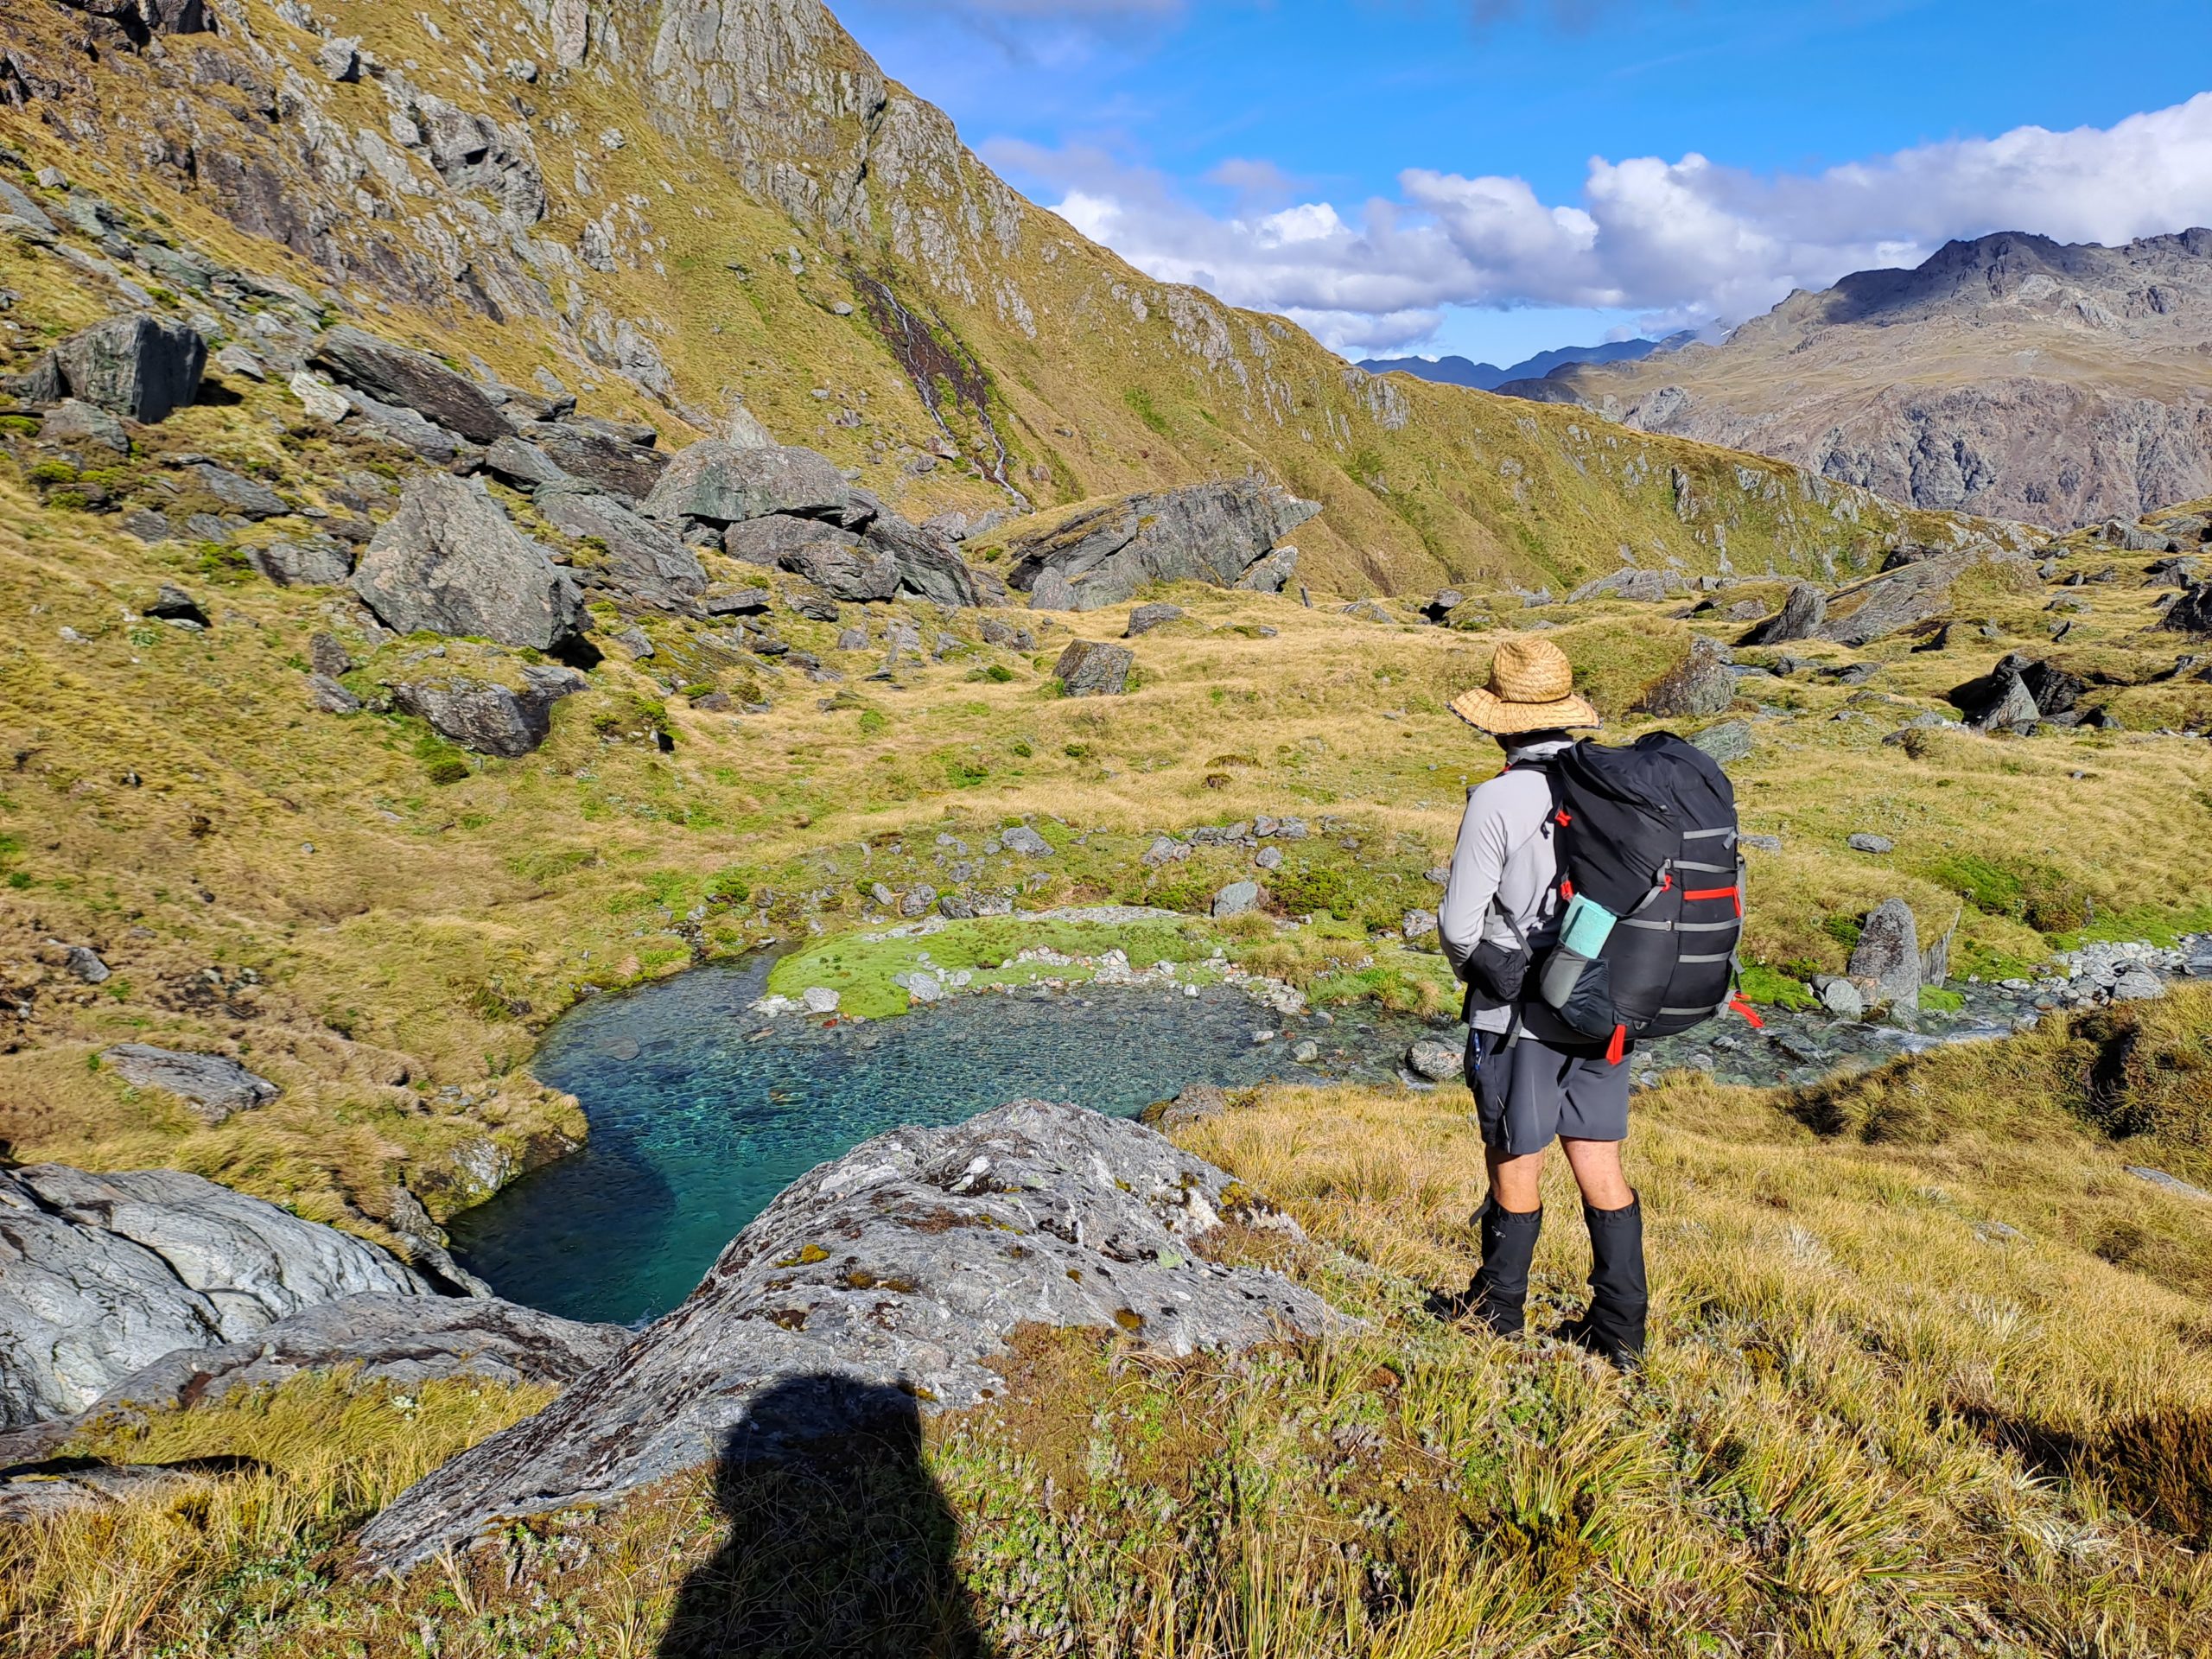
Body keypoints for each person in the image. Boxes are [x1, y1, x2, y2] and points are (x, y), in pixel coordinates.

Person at [1434, 635, 1647, 1367]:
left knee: (1514, 1158)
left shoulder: (1499, 796)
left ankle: (1497, 1316)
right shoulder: (1611, 787)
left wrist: (1486, 976)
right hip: (1603, 1003)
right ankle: (1620, 1334)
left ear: (1500, 720)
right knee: (1599, 1160)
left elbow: (1459, 926)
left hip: (1519, 1012)